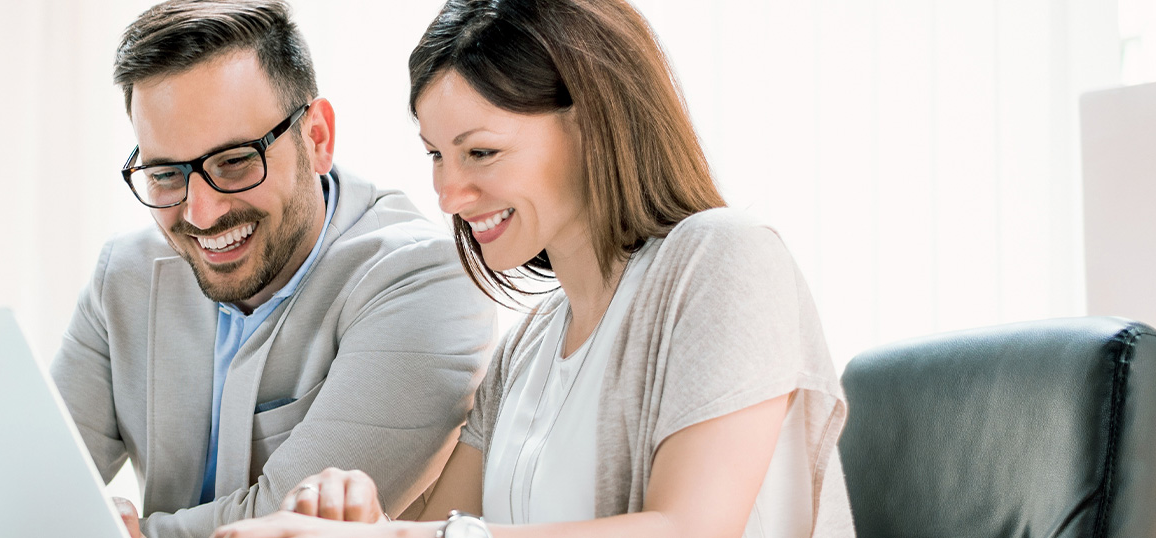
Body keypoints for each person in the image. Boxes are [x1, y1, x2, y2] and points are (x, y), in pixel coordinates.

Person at [213, 0, 854, 537]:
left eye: (481, 152)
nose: (449, 194)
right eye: (436, 155)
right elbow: (444, 526)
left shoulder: (724, 257)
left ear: (595, 124)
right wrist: (358, 520)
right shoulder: (528, 348)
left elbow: (689, 528)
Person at [49, 1, 499, 537]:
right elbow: (28, 485)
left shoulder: (428, 281)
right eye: (167, 174)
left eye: (235, 161)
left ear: (317, 139)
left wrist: (117, 531)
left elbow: (285, 527)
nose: (201, 213)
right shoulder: (123, 273)